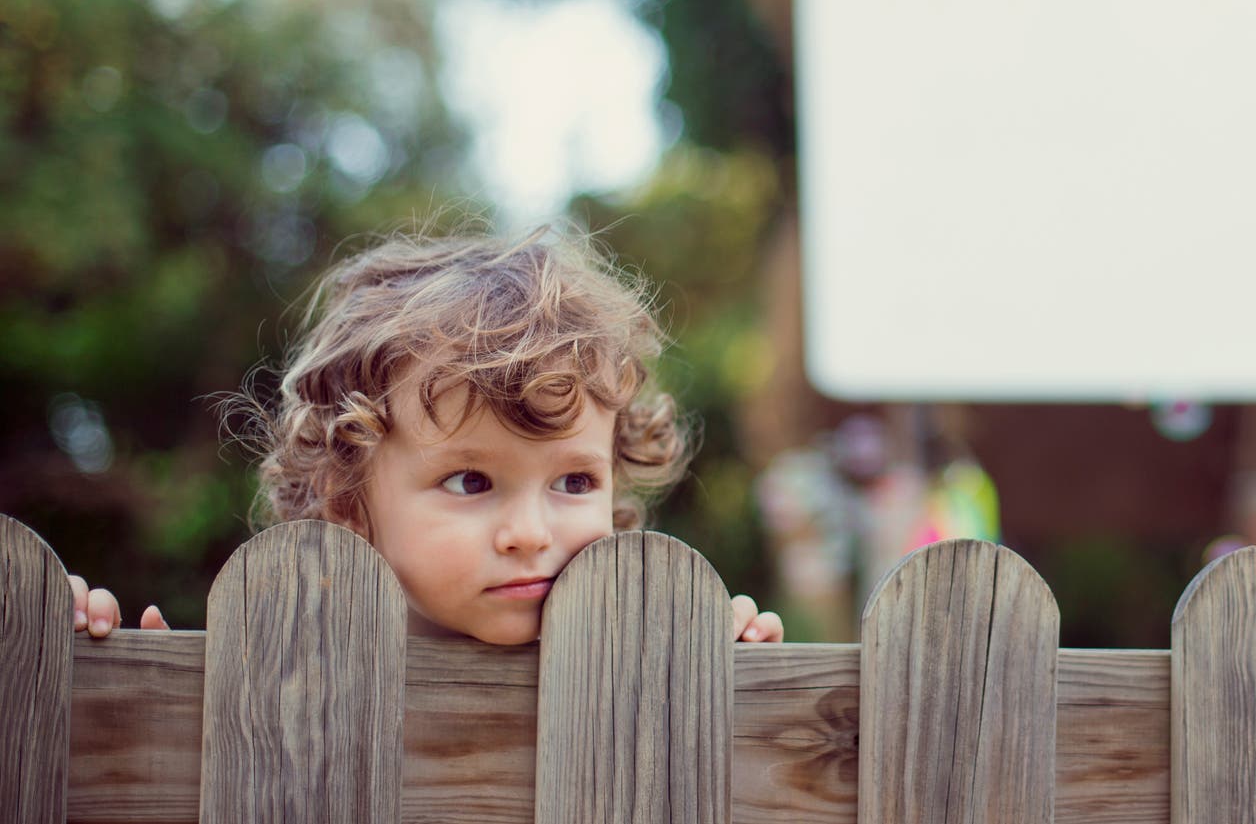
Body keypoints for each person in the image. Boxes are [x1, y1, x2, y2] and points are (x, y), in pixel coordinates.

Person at [68, 227, 784, 646]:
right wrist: (135, 691)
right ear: (348, 499)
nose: (529, 533)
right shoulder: (285, 670)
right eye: (471, 480)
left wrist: (723, 677)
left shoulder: (639, 661)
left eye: (574, 481)